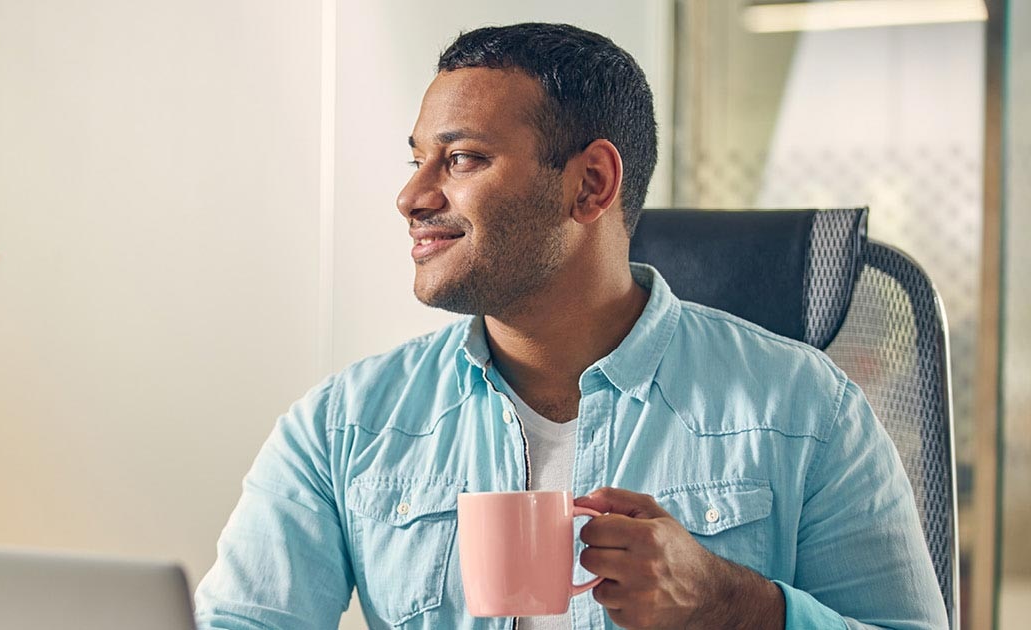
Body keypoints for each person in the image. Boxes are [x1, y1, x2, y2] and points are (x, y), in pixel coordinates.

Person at [194, 22, 945, 630]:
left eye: (461, 159)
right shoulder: (343, 426)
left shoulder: (805, 409)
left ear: (591, 184)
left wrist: (733, 605)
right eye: (418, 159)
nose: (411, 195)